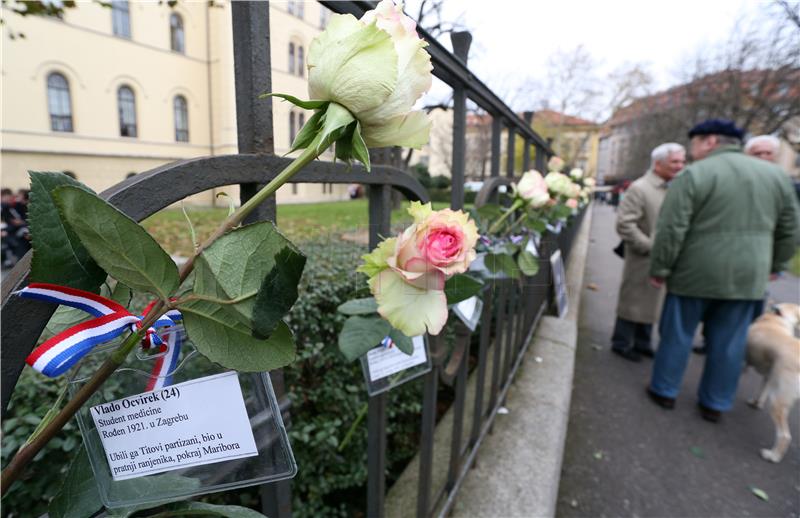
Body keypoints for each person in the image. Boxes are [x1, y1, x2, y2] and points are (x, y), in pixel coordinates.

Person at [646, 119, 800, 422]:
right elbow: (790, 230)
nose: (692, 151)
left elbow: (671, 228)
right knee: (729, 342)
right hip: (747, 277)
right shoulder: (776, 177)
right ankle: (714, 403)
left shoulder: (694, 174)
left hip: (693, 273)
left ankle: (665, 390)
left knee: (678, 335)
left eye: (694, 143)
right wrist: (776, 265)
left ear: (710, 141)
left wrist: (661, 267)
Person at [611, 143, 686, 362]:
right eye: (675, 161)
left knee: (652, 303)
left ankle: (642, 342)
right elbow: (625, 224)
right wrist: (649, 246)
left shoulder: (673, 187)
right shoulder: (640, 188)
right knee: (634, 301)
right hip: (642, 256)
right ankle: (622, 342)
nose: (680, 166)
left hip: (662, 257)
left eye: (682, 161)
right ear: (658, 163)